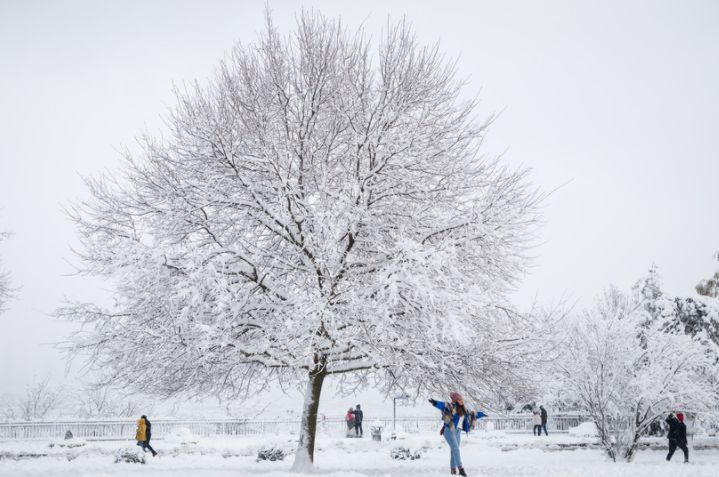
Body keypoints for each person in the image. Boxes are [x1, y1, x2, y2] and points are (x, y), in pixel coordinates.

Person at [429, 392, 486, 477]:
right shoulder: (452, 407)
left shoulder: (464, 410)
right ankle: (461, 469)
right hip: (449, 430)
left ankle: (453, 470)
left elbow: (473, 415)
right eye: (459, 399)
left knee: (454, 450)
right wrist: (435, 403)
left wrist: (482, 414)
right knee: (456, 449)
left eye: (461, 399)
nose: (461, 400)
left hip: (458, 432)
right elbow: (443, 405)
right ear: (455, 400)